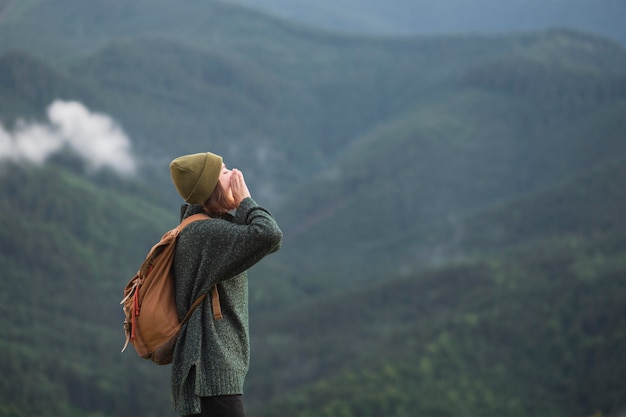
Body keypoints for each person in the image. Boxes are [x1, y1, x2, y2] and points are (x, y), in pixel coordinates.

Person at [168, 151, 283, 417]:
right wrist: (245, 200)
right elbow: (268, 234)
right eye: (223, 171)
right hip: (212, 373)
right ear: (210, 187)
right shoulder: (206, 234)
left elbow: (263, 242)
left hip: (206, 374)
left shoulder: (200, 228)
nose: (234, 174)